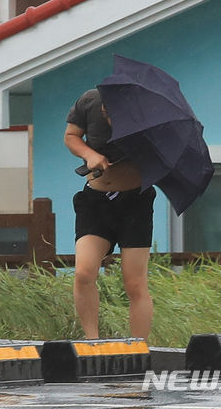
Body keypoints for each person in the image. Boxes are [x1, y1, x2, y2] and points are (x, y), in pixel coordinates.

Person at [63, 88, 155, 341]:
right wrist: (89, 154)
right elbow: (71, 136)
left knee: (134, 283)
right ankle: (93, 342)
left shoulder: (148, 116)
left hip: (135, 202)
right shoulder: (89, 100)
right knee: (83, 273)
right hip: (95, 200)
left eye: (117, 115)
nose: (109, 119)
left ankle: (138, 347)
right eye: (106, 112)